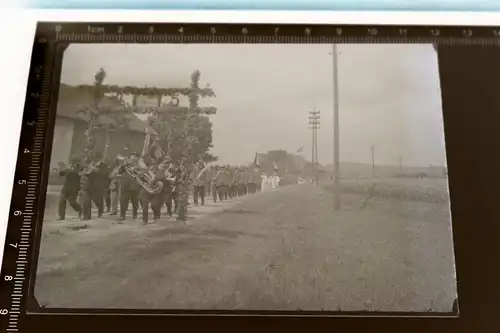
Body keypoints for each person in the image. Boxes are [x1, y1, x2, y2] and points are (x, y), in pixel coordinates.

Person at [116, 152, 141, 222]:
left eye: (134, 156)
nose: (132, 158)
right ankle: (122, 216)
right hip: (125, 186)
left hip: (135, 186)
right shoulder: (125, 165)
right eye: (131, 156)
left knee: (135, 202)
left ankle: (135, 215)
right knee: (123, 201)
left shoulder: (139, 164)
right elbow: (120, 172)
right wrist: (123, 165)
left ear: (136, 158)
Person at [80, 152, 105, 220]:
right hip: (87, 185)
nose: (94, 160)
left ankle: (100, 210)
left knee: (97, 201)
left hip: (95, 186)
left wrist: (92, 169)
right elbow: (83, 172)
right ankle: (86, 216)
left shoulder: (103, 165)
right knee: (86, 201)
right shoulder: (90, 164)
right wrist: (85, 172)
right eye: (94, 158)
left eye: (96, 158)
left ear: (100, 158)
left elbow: (99, 172)